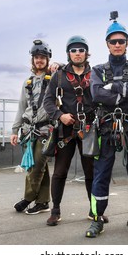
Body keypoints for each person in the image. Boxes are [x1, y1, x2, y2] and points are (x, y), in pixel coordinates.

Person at [85, 12, 128, 239]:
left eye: (121, 41)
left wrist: (114, 88)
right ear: (107, 44)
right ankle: (97, 220)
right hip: (105, 127)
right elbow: (96, 94)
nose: (117, 44)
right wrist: (125, 91)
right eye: (113, 41)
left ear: (127, 43)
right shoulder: (97, 70)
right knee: (101, 173)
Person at [43, 36, 108, 226]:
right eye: (73, 50)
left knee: (91, 172)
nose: (77, 53)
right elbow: (48, 100)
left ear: (86, 53)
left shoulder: (96, 73)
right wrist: (59, 115)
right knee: (60, 171)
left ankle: (94, 210)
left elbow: (103, 96)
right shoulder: (59, 75)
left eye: (81, 50)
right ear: (68, 53)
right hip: (66, 129)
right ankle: (55, 210)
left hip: (88, 128)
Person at [12, 39, 53, 215]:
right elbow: (22, 106)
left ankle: (28, 197)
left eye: (43, 57)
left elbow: (72, 70)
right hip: (28, 131)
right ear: (32, 60)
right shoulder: (27, 83)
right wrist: (15, 130)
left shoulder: (54, 78)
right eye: (36, 57)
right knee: (37, 166)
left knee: (37, 165)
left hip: (45, 131)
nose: (39, 60)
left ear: (48, 59)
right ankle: (43, 202)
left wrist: (60, 65)